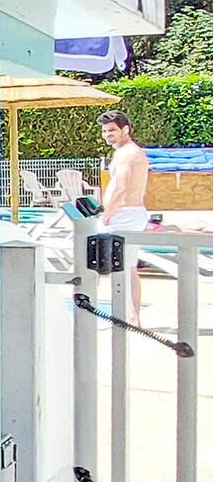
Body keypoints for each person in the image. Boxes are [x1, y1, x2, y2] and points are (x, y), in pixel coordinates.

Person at [98, 109, 151, 325]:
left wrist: (107, 215)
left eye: (112, 130)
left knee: (120, 266)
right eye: (104, 131)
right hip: (129, 214)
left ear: (125, 129)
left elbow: (122, 187)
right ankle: (131, 315)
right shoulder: (130, 152)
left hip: (124, 215)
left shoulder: (127, 153)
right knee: (127, 267)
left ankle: (129, 316)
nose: (107, 134)